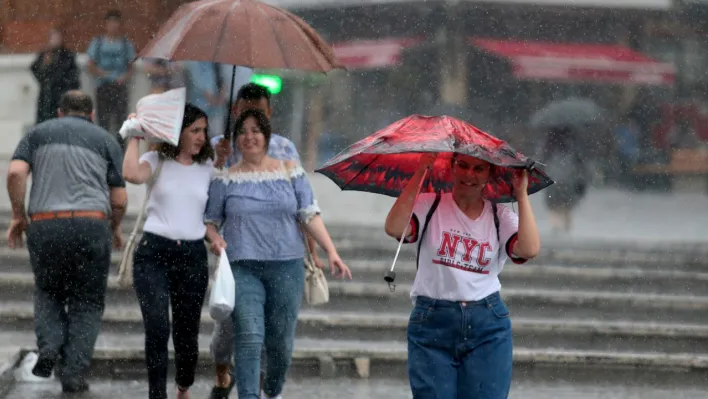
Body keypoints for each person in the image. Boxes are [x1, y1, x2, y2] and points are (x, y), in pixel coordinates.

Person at [204, 109, 352, 399]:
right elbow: (210, 221)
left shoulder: (289, 171)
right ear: (235, 140)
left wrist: (331, 251)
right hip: (243, 267)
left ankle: (272, 390)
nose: (249, 137)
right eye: (242, 132)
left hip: (287, 268)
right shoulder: (225, 178)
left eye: (255, 131)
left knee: (280, 343)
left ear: (267, 136)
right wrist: (215, 238)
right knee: (248, 337)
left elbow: (309, 214)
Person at [384, 153, 540, 399]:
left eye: (479, 169)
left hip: (488, 324)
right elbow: (393, 227)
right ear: (452, 167)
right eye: (464, 166)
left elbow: (529, 249)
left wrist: (521, 194)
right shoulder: (429, 204)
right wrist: (421, 170)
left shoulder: (501, 217)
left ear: (489, 174)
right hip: (432, 322)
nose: (470, 175)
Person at [7, 90, 127, 393]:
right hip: (91, 223)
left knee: (49, 292)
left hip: (46, 225)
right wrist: (114, 228)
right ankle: (73, 373)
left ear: (59, 112)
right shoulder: (105, 139)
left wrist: (19, 216)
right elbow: (120, 199)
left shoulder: (38, 133)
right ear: (91, 115)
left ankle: (49, 347)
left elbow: (15, 173)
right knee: (87, 302)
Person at [122, 104, 215, 399]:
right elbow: (131, 174)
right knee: (158, 327)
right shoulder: (156, 160)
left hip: (193, 257)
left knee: (187, 335)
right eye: (194, 130)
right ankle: (156, 394)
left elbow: (217, 209)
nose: (201, 137)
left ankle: (184, 384)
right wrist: (135, 136)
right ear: (178, 133)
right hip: (154, 255)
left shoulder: (209, 168)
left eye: (203, 131)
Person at [86, 9, 136, 146]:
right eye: (111, 22)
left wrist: (123, 78)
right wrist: (102, 74)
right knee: (103, 122)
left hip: (120, 88)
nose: (114, 26)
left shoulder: (126, 44)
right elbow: (90, 65)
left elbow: (132, 67)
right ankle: (103, 150)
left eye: (116, 22)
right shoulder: (98, 43)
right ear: (105, 24)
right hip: (103, 87)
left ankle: (120, 152)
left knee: (121, 124)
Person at [30, 27, 80, 125]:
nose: (56, 41)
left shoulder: (68, 56)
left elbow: (73, 76)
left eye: (58, 38)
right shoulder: (45, 55)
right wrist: (45, 64)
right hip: (46, 97)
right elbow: (36, 70)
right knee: (45, 122)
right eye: (53, 38)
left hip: (62, 96)